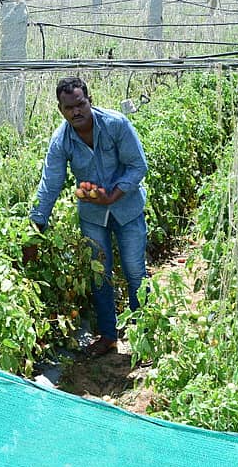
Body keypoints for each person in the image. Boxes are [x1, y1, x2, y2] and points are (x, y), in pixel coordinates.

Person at [30, 77, 149, 357]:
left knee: (135, 272)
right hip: (93, 215)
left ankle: (145, 335)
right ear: (61, 109)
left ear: (89, 100)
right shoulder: (62, 140)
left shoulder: (116, 124)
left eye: (80, 104)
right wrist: (37, 225)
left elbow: (137, 166)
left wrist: (114, 195)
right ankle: (108, 335)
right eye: (69, 107)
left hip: (128, 209)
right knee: (99, 276)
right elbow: (51, 182)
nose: (76, 112)